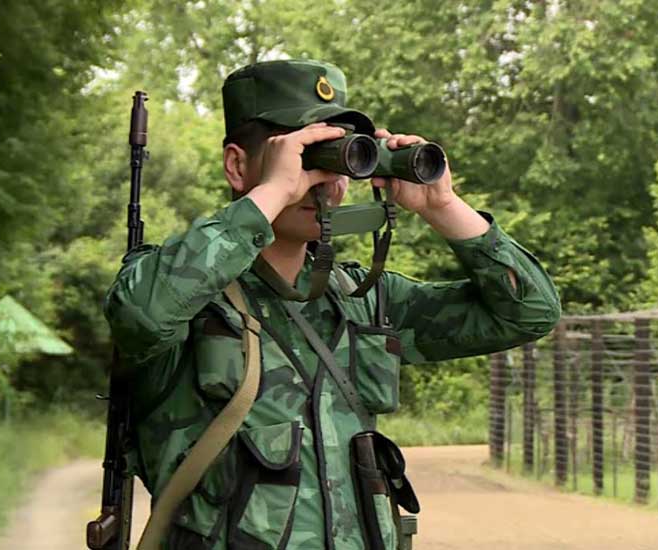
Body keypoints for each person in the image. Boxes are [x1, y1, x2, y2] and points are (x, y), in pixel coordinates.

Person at [104, 59, 561, 550]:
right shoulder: (183, 291)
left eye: (339, 159)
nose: (323, 181)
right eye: (305, 156)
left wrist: (443, 207)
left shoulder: (363, 299)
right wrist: (274, 191)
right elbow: (141, 315)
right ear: (238, 165)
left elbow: (528, 311)